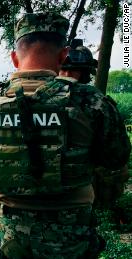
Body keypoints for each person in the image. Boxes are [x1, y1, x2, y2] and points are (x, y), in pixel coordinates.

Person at [0, 12, 131, 258]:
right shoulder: (91, 101)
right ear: (64, 55)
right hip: (72, 240)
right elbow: (117, 159)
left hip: (13, 242)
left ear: (14, 58)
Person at [59, 40, 130, 209]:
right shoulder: (96, 101)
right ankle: (103, 207)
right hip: (80, 195)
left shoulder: (30, 97)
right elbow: (119, 156)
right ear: (85, 74)